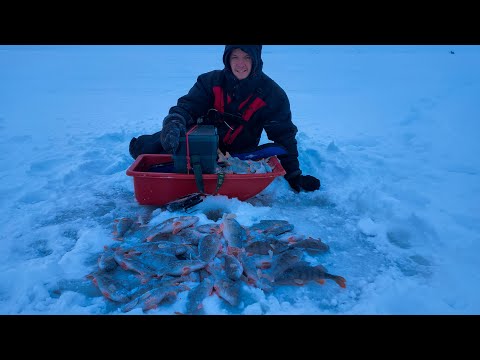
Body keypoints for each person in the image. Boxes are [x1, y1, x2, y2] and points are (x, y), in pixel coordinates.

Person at [129, 45, 320, 193]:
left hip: (238, 152)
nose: (240, 63)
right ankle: (139, 145)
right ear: (227, 59)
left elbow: (284, 136)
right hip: (200, 143)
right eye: (234, 57)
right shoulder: (209, 81)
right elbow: (187, 107)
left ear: (256, 60)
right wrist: (173, 122)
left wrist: (294, 175)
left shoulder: (273, 95)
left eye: (246, 57)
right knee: (154, 147)